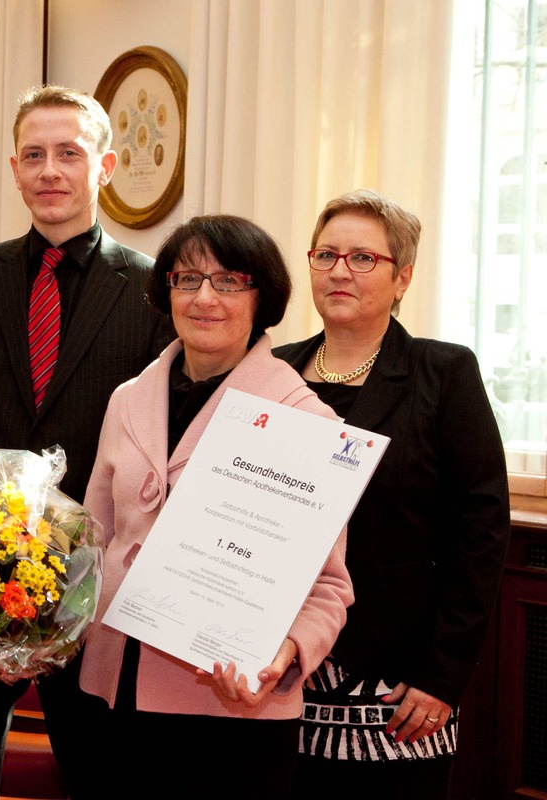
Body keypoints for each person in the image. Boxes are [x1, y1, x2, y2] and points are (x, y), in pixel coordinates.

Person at [0, 84, 174, 800]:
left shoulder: (154, 290)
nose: (50, 170)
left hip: (95, 596)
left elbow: (164, 451)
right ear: (15, 168)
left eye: (69, 153)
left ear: (105, 166)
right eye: (34, 154)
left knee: (101, 779)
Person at [77, 215, 354, 799]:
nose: (205, 297)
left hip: (227, 707)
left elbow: (328, 588)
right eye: (187, 279)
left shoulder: (304, 421)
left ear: (263, 298)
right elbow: (91, 539)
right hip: (111, 692)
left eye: (229, 281)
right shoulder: (127, 398)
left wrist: (282, 657)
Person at [275, 190, 510, 798]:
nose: (339, 271)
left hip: (402, 686)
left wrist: (443, 676)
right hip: (279, 673)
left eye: (362, 258)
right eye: (326, 255)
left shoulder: (444, 373)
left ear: (402, 277)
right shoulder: (271, 373)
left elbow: (481, 534)